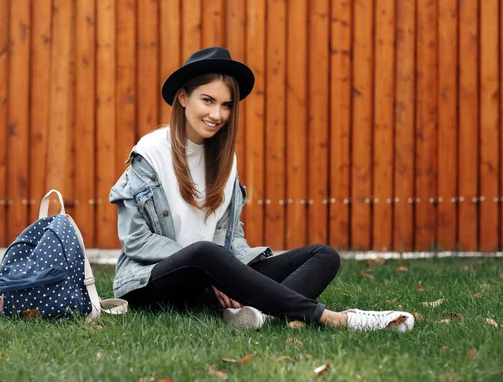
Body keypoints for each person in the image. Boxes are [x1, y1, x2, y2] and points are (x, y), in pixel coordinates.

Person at [109, 46, 414, 332]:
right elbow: (137, 241)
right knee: (204, 253)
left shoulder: (225, 160)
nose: (217, 115)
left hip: (209, 282)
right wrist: (210, 268)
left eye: (226, 105)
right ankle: (333, 318)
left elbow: (227, 233)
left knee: (324, 255)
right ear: (183, 98)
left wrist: (226, 273)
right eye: (208, 100)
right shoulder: (149, 154)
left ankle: (259, 314)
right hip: (154, 282)